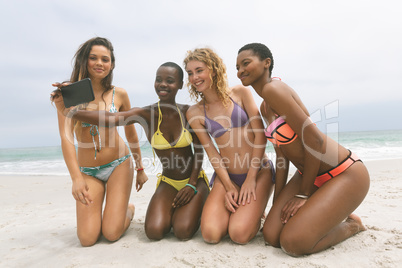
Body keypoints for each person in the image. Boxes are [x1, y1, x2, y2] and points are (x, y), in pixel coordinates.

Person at [236, 43, 370, 256]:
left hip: (344, 174)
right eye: (237, 67)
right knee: (271, 235)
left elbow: (315, 141)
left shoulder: (273, 89)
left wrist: (303, 194)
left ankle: (353, 225)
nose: (240, 70)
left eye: (246, 63)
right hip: (308, 173)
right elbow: (282, 158)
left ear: (266, 63)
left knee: (293, 243)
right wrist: (276, 203)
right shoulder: (264, 106)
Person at [53, 62, 210, 241]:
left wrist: (191, 184)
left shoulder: (188, 112)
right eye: (159, 80)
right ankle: (176, 209)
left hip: (194, 180)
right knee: (154, 232)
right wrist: (71, 113)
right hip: (169, 182)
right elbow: (112, 118)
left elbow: (199, 151)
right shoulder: (146, 114)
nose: (163, 84)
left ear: (180, 84)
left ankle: (202, 199)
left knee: (182, 231)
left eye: (170, 80)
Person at [50, 37, 148, 246]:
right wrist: (76, 178)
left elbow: (131, 134)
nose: (99, 63)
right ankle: (112, 209)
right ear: (84, 60)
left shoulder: (119, 94)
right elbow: (66, 138)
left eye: (105, 59)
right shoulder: (68, 95)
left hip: (119, 164)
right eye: (93, 58)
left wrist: (140, 168)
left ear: (111, 64)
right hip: (88, 170)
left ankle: (127, 209)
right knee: (87, 239)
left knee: (112, 233)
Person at [184, 48, 276, 245]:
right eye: (190, 73)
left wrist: (251, 179)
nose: (194, 77)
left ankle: (255, 211)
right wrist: (227, 186)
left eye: (199, 70)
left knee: (238, 234)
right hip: (227, 176)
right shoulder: (194, 113)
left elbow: (260, 136)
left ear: (214, 69)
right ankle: (247, 210)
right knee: (210, 234)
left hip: (258, 171)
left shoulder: (240, 93)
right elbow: (212, 153)